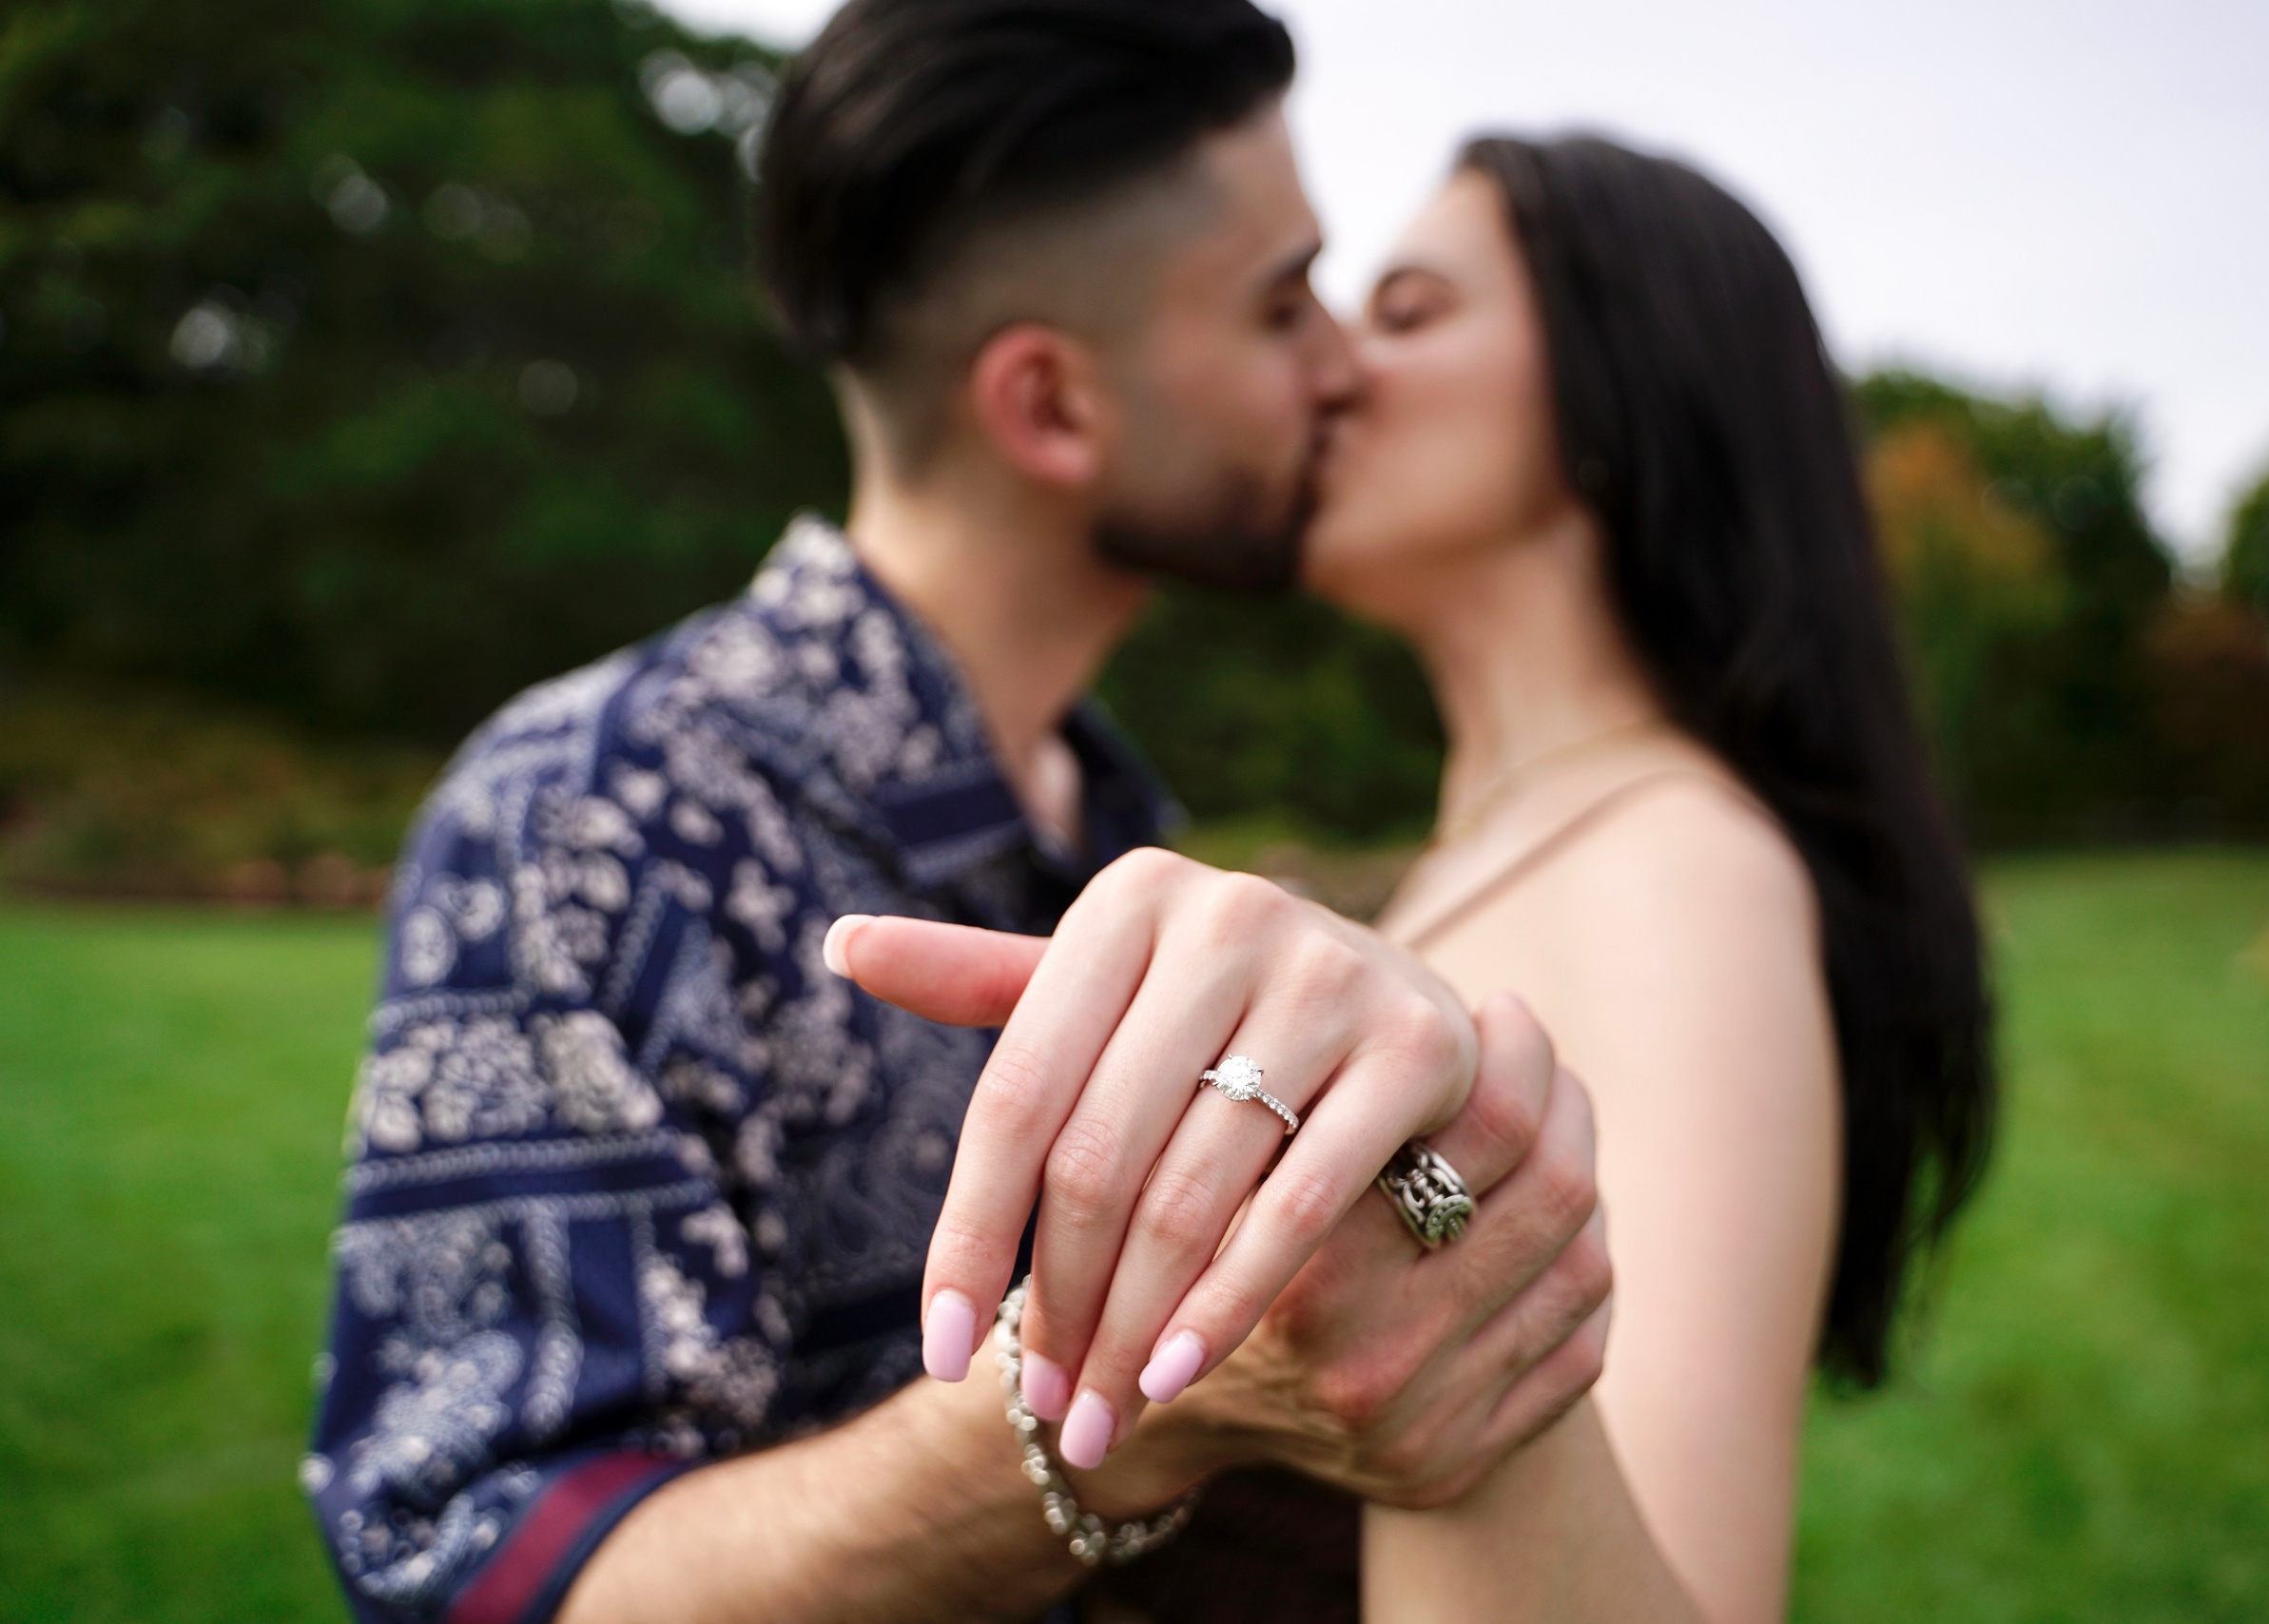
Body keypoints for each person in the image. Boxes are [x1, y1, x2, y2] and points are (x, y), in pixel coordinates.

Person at [303, 4, 1608, 1623]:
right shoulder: (589, 818)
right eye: (1285, 306)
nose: (1345, 365)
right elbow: (482, 1576)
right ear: (1051, 408)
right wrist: (1135, 1399)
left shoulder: (1129, 822)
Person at [831, 135, 1998, 1621]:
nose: (1326, 368)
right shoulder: (1514, 847)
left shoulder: (1672, 881)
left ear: (1614, 399)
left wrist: (1452, 1307)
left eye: (1407, 312)